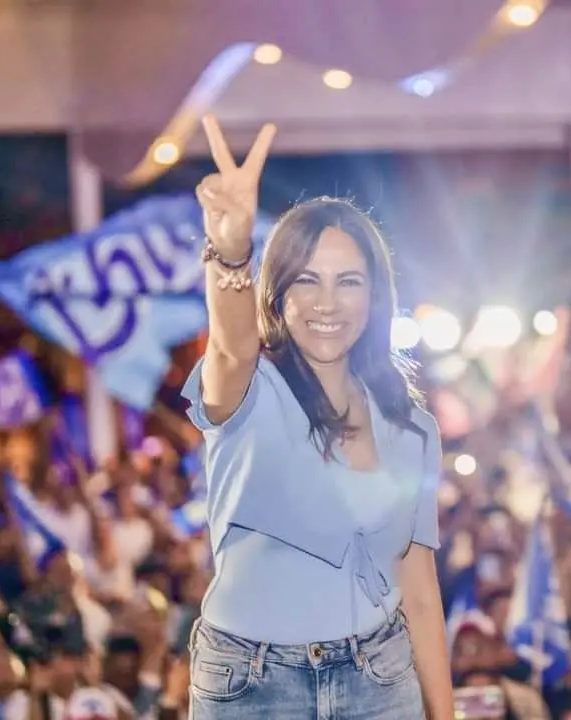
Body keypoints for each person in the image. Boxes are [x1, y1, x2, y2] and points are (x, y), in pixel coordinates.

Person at [180, 115, 454, 718]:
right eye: (306, 280)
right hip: (251, 686)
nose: (326, 303)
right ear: (276, 294)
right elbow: (230, 346)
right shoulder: (248, 390)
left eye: (348, 281)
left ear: (375, 296)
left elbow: (420, 592)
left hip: (380, 679)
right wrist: (231, 253)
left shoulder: (411, 428)